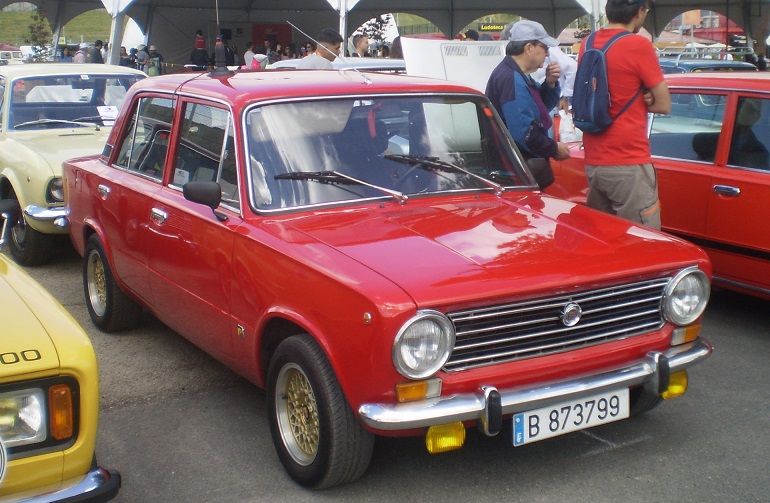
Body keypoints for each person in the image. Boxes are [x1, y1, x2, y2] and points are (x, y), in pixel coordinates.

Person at [579, 0, 670, 229]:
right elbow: (663, 105)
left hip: (594, 160)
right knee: (642, 241)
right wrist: (646, 96)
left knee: (604, 239)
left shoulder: (587, 43)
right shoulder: (637, 45)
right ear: (639, 12)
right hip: (628, 160)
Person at [485, 20, 571, 169]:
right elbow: (525, 134)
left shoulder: (517, 75)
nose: (547, 53)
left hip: (519, 167)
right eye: (544, 47)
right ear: (529, 48)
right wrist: (554, 149)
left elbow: (541, 107)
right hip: (516, 170)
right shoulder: (511, 79)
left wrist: (550, 84)